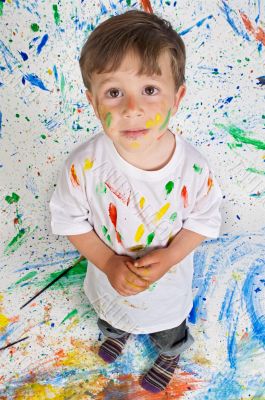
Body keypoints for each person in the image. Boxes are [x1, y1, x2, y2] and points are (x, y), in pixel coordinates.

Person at [49, 9, 222, 393]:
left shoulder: (192, 168)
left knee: (167, 328)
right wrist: (109, 262)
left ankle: (171, 352)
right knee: (111, 314)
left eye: (149, 90)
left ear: (177, 97)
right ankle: (116, 331)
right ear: (94, 102)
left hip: (169, 285)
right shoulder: (84, 166)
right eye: (114, 92)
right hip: (109, 277)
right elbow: (70, 220)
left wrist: (171, 258)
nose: (132, 108)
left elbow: (205, 220)